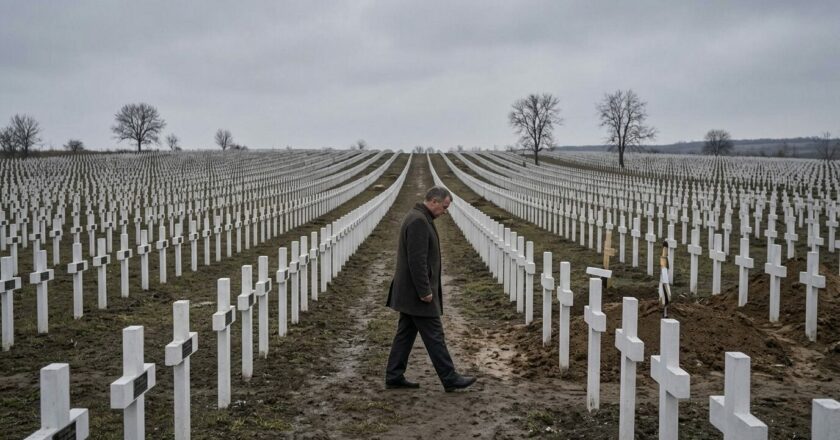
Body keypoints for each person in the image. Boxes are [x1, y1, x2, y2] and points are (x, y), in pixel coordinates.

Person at [384, 186, 477, 392]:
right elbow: (417, 262)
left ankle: (394, 374)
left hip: (410, 292)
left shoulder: (419, 217)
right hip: (416, 293)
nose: (445, 211)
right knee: (435, 335)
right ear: (433, 201)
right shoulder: (418, 221)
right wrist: (425, 291)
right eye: (444, 207)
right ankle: (449, 377)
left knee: (405, 334)